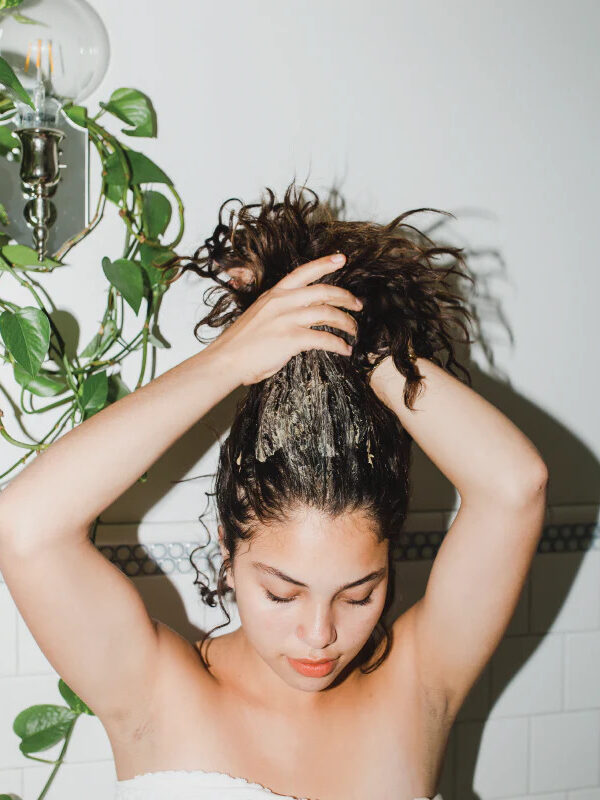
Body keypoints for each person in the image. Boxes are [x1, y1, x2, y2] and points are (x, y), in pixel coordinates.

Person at [0, 182, 548, 800]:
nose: (320, 635)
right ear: (226, 552)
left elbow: (515, 486)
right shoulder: (154, 692)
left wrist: (358, 340)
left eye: (359, 595)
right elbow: (25, 528)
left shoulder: (418, 685)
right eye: (282, 594)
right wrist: (228, 361)